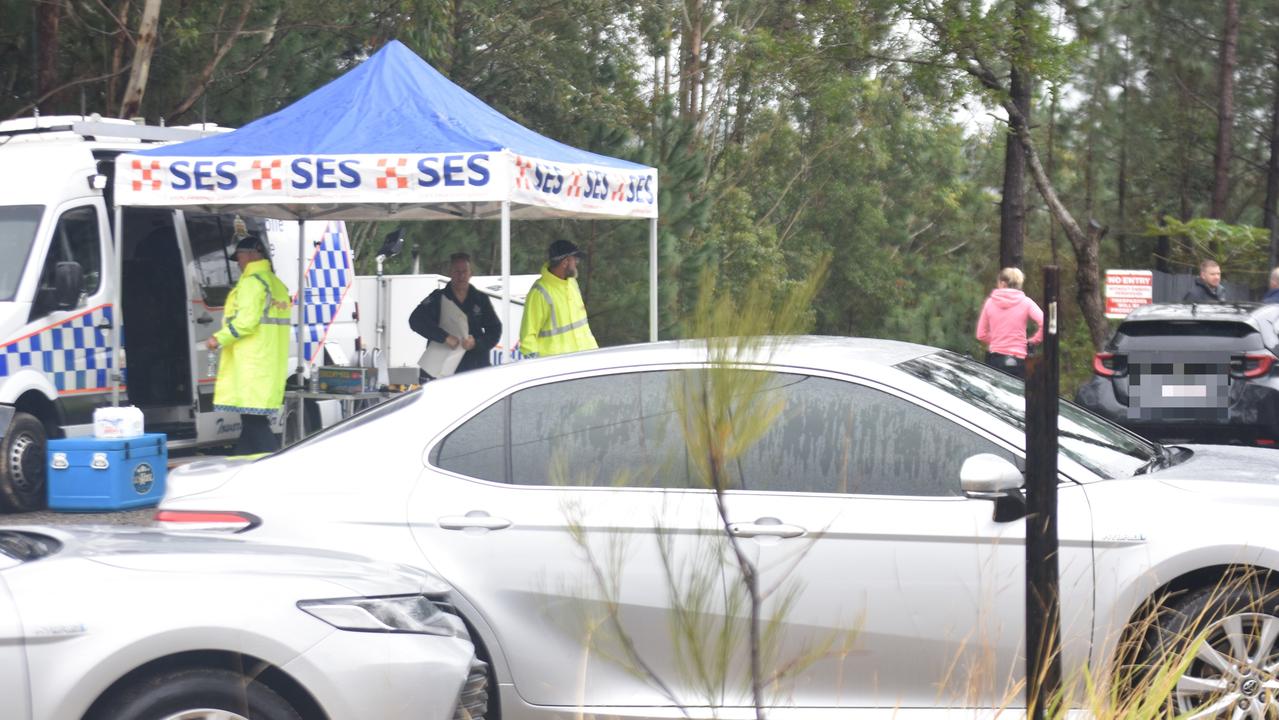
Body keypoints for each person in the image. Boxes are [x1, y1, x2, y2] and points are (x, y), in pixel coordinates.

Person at [205, 235, 291, 455]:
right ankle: (239, 466)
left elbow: (246, 322)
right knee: (251, 422)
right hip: (267, 363)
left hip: (251, 364)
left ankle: (276, 466)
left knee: (254, 424)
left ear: (253, 255)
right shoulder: (275, 284)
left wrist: (219, 338)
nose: (239, 263)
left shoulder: (253, 283)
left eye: (240, 257)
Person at [409, 252, 502, 380]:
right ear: (450, 273)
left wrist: (476, 343)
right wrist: (444, 337)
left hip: (474, 369)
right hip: (441, 368)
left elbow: (495, 329)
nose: (461, 275)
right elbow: (415, 320)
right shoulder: (438, 298)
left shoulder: (481, 299)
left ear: (471, 273)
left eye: (464, 271)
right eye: (457, 271)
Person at [519, 239, 597, 358]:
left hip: (586, 359)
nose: (577, 263)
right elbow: (528, 336)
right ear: (565, 262)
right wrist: (535, 366)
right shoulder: (540, 292)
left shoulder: (572, 283)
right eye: (575, 259)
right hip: (559, 366)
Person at [975, 267, 1044, 379]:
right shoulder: (1026, 302)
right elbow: (1045, 322)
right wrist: (1033, 341)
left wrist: (998, 339)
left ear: (1002, 283)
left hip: (995, 360)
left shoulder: (990, 302)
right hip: (1019, 360)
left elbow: (981, 334)